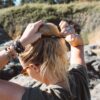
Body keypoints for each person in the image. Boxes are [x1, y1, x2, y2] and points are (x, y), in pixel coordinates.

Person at [0, 20, 91, 100]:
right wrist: (73, 37)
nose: (26, 74)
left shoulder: (39, 97)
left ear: (34, 67)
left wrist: (18, 45)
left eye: (25, 72)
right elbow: (78, 46)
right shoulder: (79, 77)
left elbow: (77, 45)